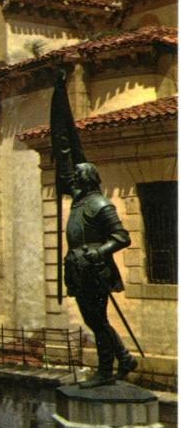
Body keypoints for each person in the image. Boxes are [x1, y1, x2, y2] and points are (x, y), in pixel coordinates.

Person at [64, 162, 138, 388]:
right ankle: (124, 357)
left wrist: (98, 253)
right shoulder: (80, 202)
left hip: (95, 270)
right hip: (79, 270)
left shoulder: (100, 204)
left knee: (97, 319)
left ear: (87, 178)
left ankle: (107, 369)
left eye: (77, 176)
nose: (73, 179)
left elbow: (122, 237)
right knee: (94, 320)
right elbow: (66, 179)